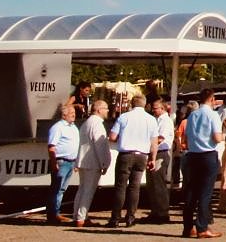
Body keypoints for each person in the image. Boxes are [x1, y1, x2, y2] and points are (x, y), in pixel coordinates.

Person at [107, 95, 159, 228]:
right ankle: (130, 217)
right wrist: (152, 159)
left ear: (132, 103)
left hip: (125, 154)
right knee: (135, 187)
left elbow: (112, 137)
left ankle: (115, 218)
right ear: (145, 104)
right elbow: (154, 142)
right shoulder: (151, 120)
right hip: (141, 155)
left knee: (121, 186)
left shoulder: (124, 117)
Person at [181, 89, 224, 239]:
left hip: (193, 155)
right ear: (212, 99)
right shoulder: (213, 115)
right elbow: (217, 137)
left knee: (191, 192)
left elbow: (186, 137)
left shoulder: (193, 115)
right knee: (205, 193)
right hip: (207, 154)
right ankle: (202, 226)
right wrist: (222, 137)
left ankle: (188, 226)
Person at [74, 100, 111, 227]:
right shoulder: (97, 124)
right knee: (88, 191)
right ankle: (81, 218)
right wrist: (104, 163)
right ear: (99, 110)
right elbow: (100, 145)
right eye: (106, 108)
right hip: (93, 162)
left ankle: (77, 215)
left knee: (82, 189)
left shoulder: (86, 123)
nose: (107, 111)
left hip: (83, 160)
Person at [46, 103, 79, 224]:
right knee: (56, 189)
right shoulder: (57, 127)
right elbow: (51, 147)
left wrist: (76, 162)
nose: (74, 115)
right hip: (61, 161)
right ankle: (52, 215)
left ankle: (56, 212)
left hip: (71, 162)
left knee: (62, 189)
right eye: (71, 113)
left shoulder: (73, 127)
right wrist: (54, 163)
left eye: (74, 113)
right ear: (64, 115)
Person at [143, 99, 175, 224]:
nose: (153, 110)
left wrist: (148, 143)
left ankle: (162, 212)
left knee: (158, 183)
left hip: (161, 152)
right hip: (154, 152)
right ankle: (155, 211)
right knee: (152, 184)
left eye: (156, 108)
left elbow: (160, 138)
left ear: (163, 108)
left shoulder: (165, 121)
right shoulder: (155, 120)